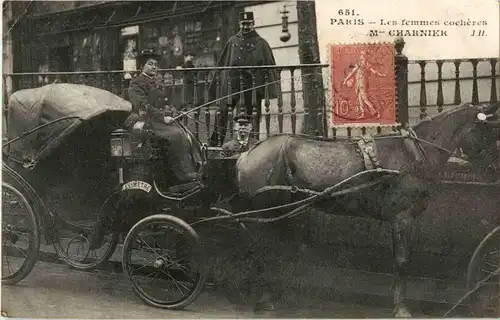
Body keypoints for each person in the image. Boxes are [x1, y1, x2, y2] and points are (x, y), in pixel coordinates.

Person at [125, 49, 199, 185]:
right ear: (142, 66)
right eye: (150, 64)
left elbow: (165, 102)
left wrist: (173, 111)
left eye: (155, 64)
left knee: (187, 133)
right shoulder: (136, 83)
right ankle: (182, 175)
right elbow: (143, 105)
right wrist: (163, 117)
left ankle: (196, 167)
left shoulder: (156, 82)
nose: (154, 67)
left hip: (158, 119)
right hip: (146, 120)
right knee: (176, 135)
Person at [208, 11, 279, 146]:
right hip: (233, 84)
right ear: (239, 24)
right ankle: (215, 143)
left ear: (253, 24)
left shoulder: (261, 43)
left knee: (252, 114)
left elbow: (270, 65)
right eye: (243, 24)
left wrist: (270, 88)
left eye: (249, 24)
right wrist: (215, 86)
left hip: (252, 85)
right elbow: (223, 63)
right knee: (223, 112)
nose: (246, 27)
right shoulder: (232, 41)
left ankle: (252, 145)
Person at [342, 50, 386, 119]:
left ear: (365, 56)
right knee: (360, 98)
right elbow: (353, 72)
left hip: (362, 82)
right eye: (361, 55)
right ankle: (363, 113)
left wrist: (381, 75)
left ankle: (376, 111)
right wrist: (346, 80)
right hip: (359, 82)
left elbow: (374, 72)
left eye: (363, 55)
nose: (361, 57)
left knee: (364, 98)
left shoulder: (365, 64)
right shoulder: (361, 64)